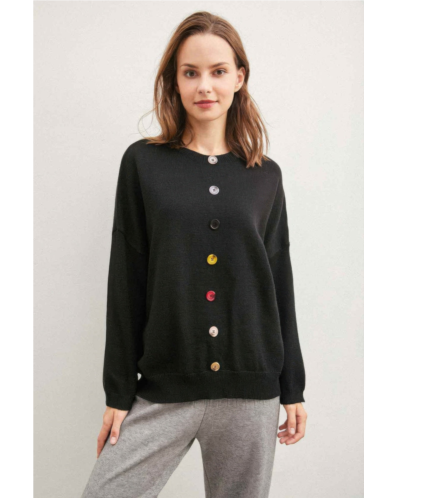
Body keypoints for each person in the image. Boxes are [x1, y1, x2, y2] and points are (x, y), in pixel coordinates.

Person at [82, 11, 307, 498]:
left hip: (251, 390)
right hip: (164, 385)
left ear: (239, 78)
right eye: (191, 72)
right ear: (175, 80)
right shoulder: (143, 163)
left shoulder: (265, 175)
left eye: (218, 71)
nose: (205, 85)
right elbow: (127, 277)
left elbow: (278, 280)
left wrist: (294, 386)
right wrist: (118, 391)